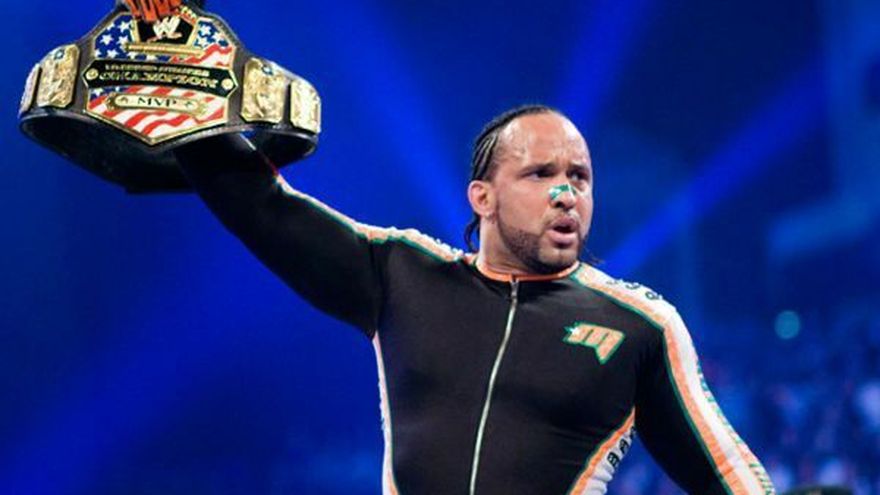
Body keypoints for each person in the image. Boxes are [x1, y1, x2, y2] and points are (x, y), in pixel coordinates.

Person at [174, 104, 775, 495]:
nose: (567, 194)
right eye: (540, 174)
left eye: (580, 177)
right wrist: (180, 89)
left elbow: (731, 476)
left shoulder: (640, 327)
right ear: (482, 197)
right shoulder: (402, 274)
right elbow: (263, 207)